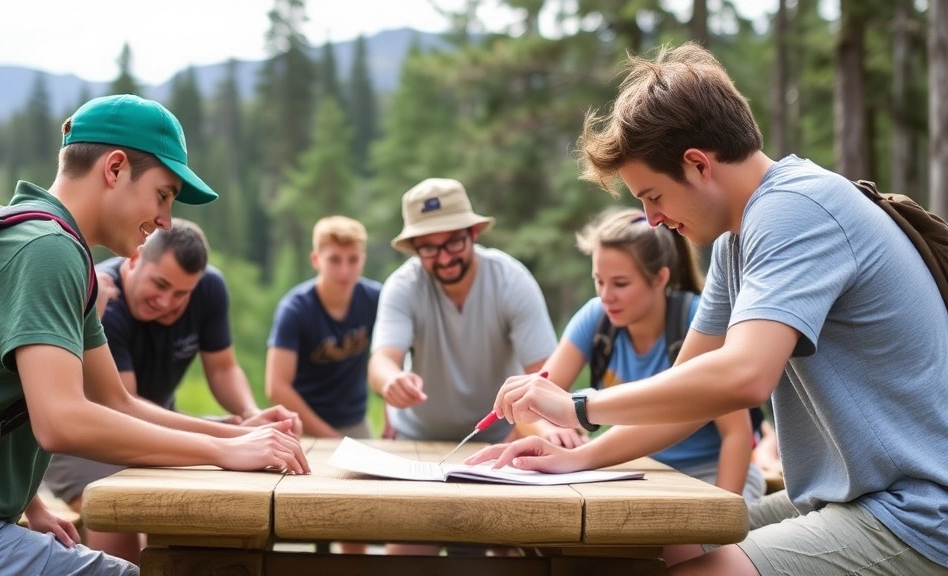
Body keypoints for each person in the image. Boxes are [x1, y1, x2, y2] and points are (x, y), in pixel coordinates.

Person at [466, 43, 948, 576]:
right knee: (658, 546)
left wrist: (578, 406)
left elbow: (744, 377)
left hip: (917, 515)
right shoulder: (734, 242)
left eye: (653, 196)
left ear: (697, 164)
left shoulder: (795, 210)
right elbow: (687, 394)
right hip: (850, 499)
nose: (650, 220)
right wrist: (577, 457)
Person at [0, 94, 309, 576]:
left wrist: (234, 432)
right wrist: (223, 451)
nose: (167, 220)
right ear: (115, 168)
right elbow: (62, 420)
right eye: (164, 195)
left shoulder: (44, 241)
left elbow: (115, 401)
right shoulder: (47, 251)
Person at [44, 217, 301, 564]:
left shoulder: (210, 288)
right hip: (86, 439)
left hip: (158, 420)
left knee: (210, 502)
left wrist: (250, 414)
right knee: (118, 509)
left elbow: (224, 367)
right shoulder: (105, 301)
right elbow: (123, 406)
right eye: (160, 285)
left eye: (182, 293)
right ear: (133, 260)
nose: (167, 301)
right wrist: (230, 435)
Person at [369, 177, 558, 555]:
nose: (442, 257)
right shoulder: (403, 285)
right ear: (414, 249)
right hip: (418, 443)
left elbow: (545, 375)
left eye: (453, 242)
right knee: (406, 550)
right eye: (428, 248)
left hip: (498, 443)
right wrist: (392, 382)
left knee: (512, 546)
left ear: (472, 232)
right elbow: (381, 361)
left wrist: (537, 432)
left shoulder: (511, 280)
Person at [530, 208, 764, 503]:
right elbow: (539, 397)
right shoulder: (596, 318)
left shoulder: (698, 322)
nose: (606, 296)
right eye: (598, 281)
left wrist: (723, 513)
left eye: (621, 284)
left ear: (659, 278)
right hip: (633, 472)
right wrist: (550, 430)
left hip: (706, 473)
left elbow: (737, 434)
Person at [266, 215, 381, 440]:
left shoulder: (376, 299)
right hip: (305, 426)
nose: (345, 270)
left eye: (353, 259)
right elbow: (276, 386)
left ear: (363, 259)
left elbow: (393, 359)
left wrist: (392, 415)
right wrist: (328, 436)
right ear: (316, 259)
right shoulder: (295, 309)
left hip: (357, 424)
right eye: (335, 260)